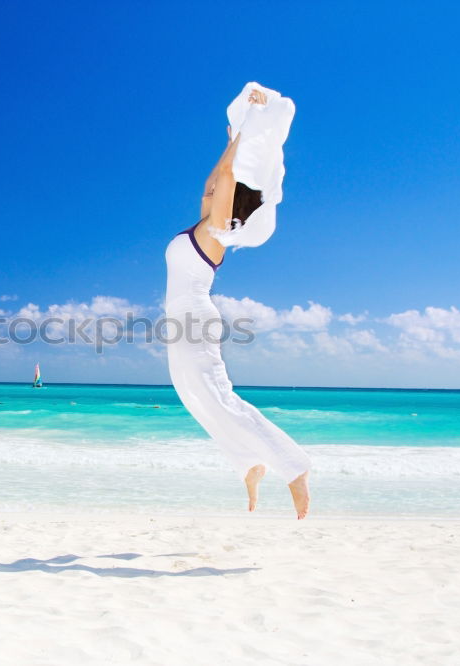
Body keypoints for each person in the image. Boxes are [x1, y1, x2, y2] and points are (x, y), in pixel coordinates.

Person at [164, 87, 311, 518]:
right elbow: (216, 178)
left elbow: (226, 178)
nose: (208, 191)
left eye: (216, 194)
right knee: (195, 396)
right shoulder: (203, 224)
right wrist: (232, 136)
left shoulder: (216, 230)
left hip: (194, 320)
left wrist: (243, 135)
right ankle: (249, 463)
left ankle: (294, 469)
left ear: (228, 206)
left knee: (219, 397)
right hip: (180, 324)